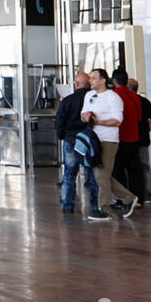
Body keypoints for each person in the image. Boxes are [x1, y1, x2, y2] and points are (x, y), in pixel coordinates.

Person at [80, 68, 138, 218]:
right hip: (93, 140)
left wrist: (99, 122)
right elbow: (83, 114)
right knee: (101, 175)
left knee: (101, 175)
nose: (90, 81)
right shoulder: (89, 95)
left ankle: (103, 209)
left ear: (103, 80)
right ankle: (128, 198)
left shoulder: (113, 97)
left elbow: (118, 120)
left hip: (108, 140)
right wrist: (85, 116)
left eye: (93, 78)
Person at [55, 72, 95, 214]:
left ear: (76, 84)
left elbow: (60, 120)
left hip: (71, 139)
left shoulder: (67, 100)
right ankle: (95, 206)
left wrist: (61, 136)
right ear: (89, 84)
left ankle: (67, 203)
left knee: (69, 173)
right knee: (91, 173)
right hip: (89, 140)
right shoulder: (93, 100)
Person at [111, 70, 147, 208]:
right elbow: (138, 118)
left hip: (120, 138)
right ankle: (138, 199)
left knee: (118, 170)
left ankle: (122, 200)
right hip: (134, 138)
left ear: (114, 81)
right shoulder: (135, 97)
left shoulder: (114, 96)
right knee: (135, 171)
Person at [129, 78, 151, 204]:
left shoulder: (125, 100)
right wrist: (146, 130)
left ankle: (130, 194)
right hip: (143, 139)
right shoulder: (144, 101)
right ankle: (147, 194)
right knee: (144, 166)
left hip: (129, 139)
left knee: (129, 166)